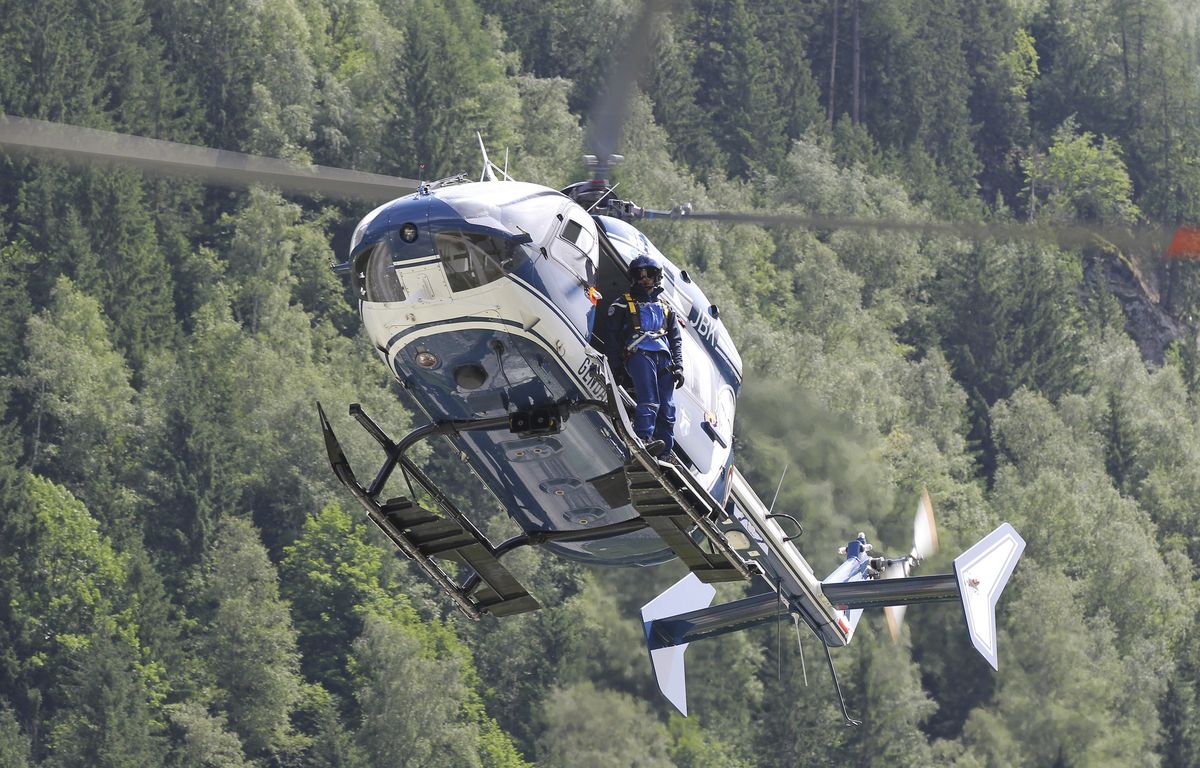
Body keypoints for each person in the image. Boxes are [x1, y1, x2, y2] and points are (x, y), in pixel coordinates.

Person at [605, 254, 684, 458]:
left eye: (649, 274)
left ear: (657, 277)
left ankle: (665, 452)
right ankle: (642, 440)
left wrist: (679, 366)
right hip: (639, 355)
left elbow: (675, 340)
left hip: (665, 360)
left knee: (668, 409)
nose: (644, 279)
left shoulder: (667, 308)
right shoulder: (622, 304)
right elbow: (612, 338)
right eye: (639, 275)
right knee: (649, 401)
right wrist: (614, 367)